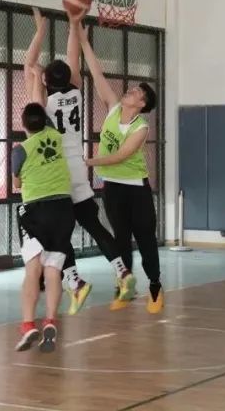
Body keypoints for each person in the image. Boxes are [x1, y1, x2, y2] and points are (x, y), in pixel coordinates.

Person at [23, 5, 135, 314]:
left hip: (56, 174)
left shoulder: (41, 104)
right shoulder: (76, 93)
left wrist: (40, 31)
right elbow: (74, 57)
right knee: (94, 225)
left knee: (58, 232)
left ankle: (75, 281)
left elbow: (28, 63)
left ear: (46, 81)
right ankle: (122, 270)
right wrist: (75, 22)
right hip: (79, 166)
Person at [79, 24, 162, 313]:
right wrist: (83, 41)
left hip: (136, 189)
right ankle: (124, 289)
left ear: (142, 104)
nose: (131, 90)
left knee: (145, 238)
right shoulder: (113, 108)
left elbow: (121, 156)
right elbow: (97, 74)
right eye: (133, 88)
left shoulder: (141, 126)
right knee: (121, 239)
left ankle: (155, 287)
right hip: (113, 187)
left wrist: (89, 162)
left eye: (137, 92)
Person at [12, 102, 77, 352]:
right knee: (53, 270)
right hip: (63, 208)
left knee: (33, 269)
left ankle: (28, 324)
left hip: (35, 210)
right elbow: (41, 111)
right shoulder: (55, 137)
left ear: (23, 124)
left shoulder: (20, 150)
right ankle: (50, 320)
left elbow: (17, 184)